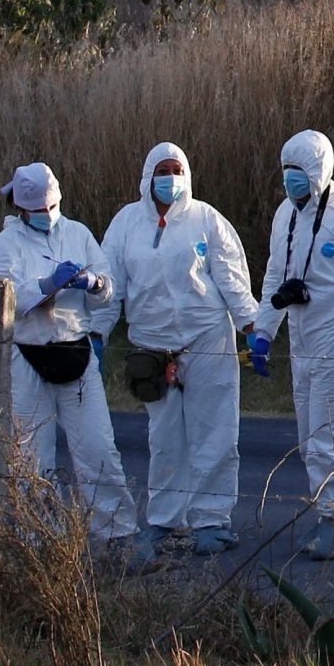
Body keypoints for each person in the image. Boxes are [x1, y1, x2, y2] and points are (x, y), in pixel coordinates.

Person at [96, 142, 259, 555]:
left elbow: (233, 281)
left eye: (176, 169)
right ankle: (165, 521)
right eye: (162, 170)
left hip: (206, 340)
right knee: (165, 439)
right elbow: (109, 285)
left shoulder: (207, 220)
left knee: (214, 432)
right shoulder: (126, 224)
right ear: (148, 177)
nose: (170, 178)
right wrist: (96, 335)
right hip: (152, 348)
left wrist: (253, 328)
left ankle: (211, 521)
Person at [0, 162, 141, 554]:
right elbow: (4, 300)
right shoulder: (7, 244)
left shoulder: (78, 234)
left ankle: (116, 534)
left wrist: (93, 283)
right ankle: (37, 541)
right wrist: (46, 285)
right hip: (28, 354)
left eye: (51, 207)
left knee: (97, 447)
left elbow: (107, 287)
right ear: (21, 208)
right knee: (31, 453)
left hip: (76, 350)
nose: (46, 216)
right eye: (38, 211)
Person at [250, 128, 334, 560]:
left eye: (299, 171)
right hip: (302, 338)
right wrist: (264, 331)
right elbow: (273, 278)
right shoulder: (286, 214)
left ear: (319, 170)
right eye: (286, 171)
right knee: (308, 438)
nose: (291, 179)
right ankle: (328, 516)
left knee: (330, 435)